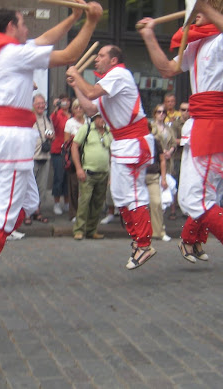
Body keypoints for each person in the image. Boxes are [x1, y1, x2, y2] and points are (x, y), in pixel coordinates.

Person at [0, 3, 102, 310]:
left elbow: (44, 40)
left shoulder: (6, 51)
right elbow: (66, 56)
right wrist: (91, 23)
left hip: (9, 139)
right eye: (23, 24)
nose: (27, 30)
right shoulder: (13, 53)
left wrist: (73, 18)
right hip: (12, 140)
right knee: (4, 213)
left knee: (29, 203)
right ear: (11, 26)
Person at [139, 0, 223, 289]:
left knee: (195, 199)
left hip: (212, 125)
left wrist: (207, 9)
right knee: (199, 198)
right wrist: (149, 37)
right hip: (202, 124)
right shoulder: (200, 42)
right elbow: (168, 69)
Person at [66, 44, 157, 270]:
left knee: (133, 193)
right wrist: (76, 84)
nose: (96, 59)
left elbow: (91, 93)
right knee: (119, 194)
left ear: (114, 60)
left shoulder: (119, 74)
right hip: (122, 143)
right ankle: (138, 240)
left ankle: (144, 243)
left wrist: (78, 75)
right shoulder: (108, 82)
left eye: (101, 55)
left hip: (134, 142)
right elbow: (89, 108)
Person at [71, 112, 111, 240]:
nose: (102, 120)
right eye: (100, 117)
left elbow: (112, 151)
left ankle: (91, 230)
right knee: (84, 202)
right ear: (95, 118)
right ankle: (79, 230)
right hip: (88, 172)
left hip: (104, 172)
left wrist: (111, 173)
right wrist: (78, 168)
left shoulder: (109, 131)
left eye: (104, 117)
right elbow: (74, 146)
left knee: (98, 204)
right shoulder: (87, 128)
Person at [29, 94, 53, 224]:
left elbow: (52, 134)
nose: (41, 106)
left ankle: (37, 211)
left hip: (45, 157)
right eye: (38, 103)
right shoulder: (29, 119)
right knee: (29, 187)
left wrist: (50, 136)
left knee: (41, 188)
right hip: (31, 157)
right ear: (33, 105)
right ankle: (26, 214)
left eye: (43, 103)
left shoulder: (47, 119)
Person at [63, 99, 88, 221]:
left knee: (86, 186)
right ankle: (73, 213)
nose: (79, 110)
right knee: (73, 186)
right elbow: (66, 143)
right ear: (73, 110)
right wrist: (74, 139)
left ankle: (85, 212)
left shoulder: (88, 122)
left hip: (87, 156)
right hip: (74, 156)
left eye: (81, 107)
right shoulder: (70, 123)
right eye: (76, 108)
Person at [50, 94, 70, 216]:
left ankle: (67, 202)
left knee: (68, 178)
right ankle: (57, 203)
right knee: (59, 176)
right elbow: (53, 122)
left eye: (67, 101)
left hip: (71, 150)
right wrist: (56, 109)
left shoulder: (72, 115)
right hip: (58, 149)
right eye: (62, 101)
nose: (65, 103)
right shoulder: (57, 114)